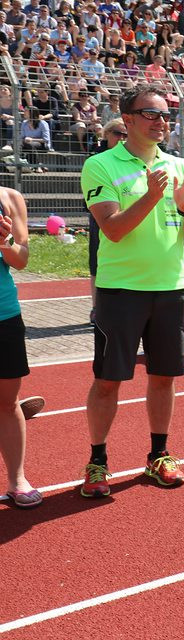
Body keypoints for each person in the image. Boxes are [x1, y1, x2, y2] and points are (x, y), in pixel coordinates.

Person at [79, 83, 184, 498]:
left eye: (166, 114)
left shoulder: (182, 167)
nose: (161, 121)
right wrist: (154, 197)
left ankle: (159, 454)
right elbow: (113, 230)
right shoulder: (100, 165)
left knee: (163, 377)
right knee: (107, 381)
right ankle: (97, 461)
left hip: (170, 290)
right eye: (152, 114)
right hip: (120, 291)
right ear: (130, 119)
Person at [0, 184, 40, 508]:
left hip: (4, 314)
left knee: (8, 401)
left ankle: (17, 479)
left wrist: (5, 241)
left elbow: (22, 258)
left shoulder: (10, 198)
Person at [87, 119, 127, 324]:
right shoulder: (97, 159)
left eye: (126, 135)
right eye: (118, 134)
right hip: (100, 218)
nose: (122, 139)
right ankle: (96, 308)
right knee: (97, 264)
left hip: (127, 216)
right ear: (107, 134)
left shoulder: (132, 157)